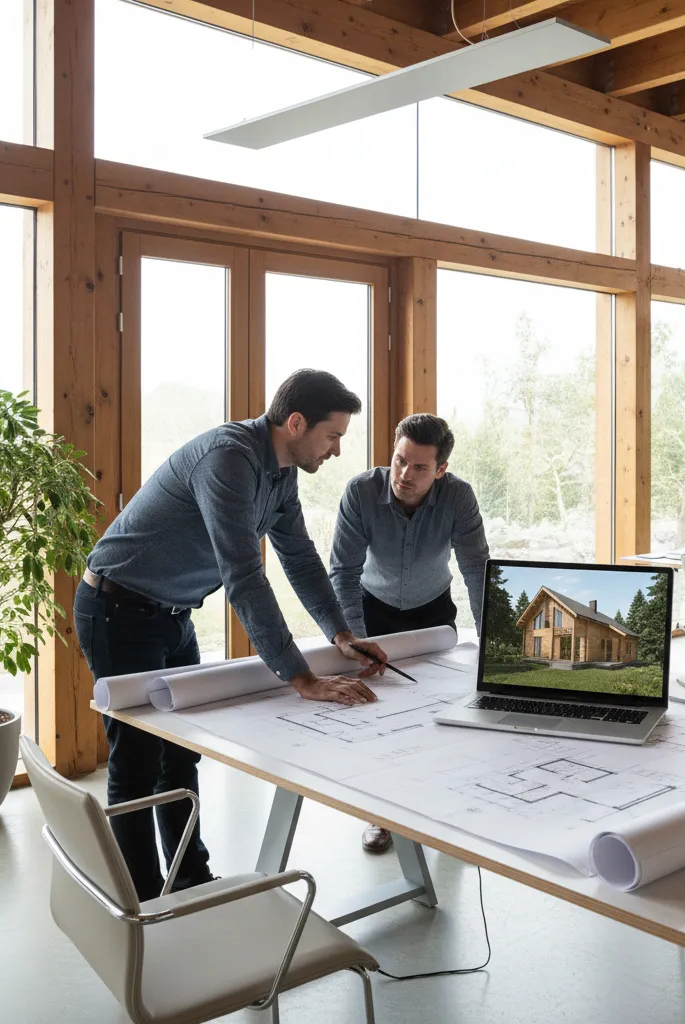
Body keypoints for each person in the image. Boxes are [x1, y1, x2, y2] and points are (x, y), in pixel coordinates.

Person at [75, 369, 387, 901]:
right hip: (116, 609)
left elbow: (300, 559)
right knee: (136, 763)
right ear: (295, 423)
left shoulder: (281, 473)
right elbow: (244, 576)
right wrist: (300, 677)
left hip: (171, 616)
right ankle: (145, 905)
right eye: (333, 435)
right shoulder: (228, 459)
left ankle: (189, 882)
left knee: (179, 756)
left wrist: (340, 633)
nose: (336, 450)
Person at [330, 413, 490, 852]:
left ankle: (444, 811)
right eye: (400, 460)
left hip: (433, 613)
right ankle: (379, 816)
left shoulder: (458, 497)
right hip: (372, 612)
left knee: (442, 713)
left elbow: (476, 568)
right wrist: (355, 638)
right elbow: (342, 571)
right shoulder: (361, 492)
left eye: (420, 467)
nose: (404, 474)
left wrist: (490, 639)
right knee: (376, 718)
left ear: (441, 470)